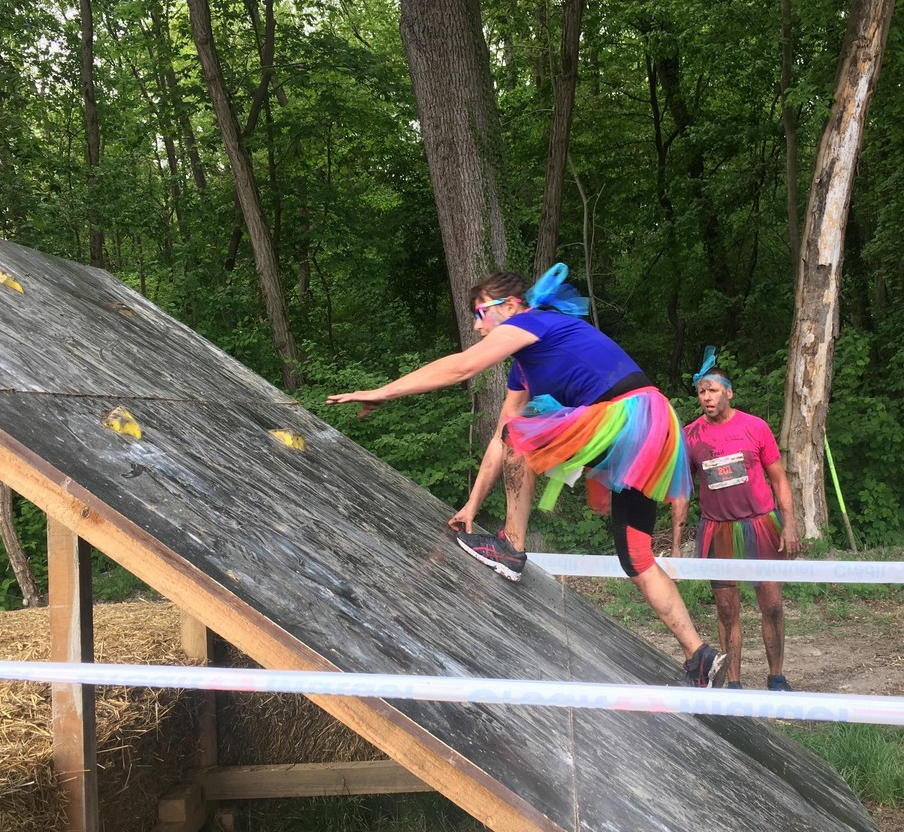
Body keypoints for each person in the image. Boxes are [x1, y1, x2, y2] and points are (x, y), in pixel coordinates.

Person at [328, 265, 729, 687]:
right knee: (635, 555)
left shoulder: (531, 322)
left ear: (511, 306)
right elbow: (502, 437)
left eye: (480, 312)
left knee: (523, 433)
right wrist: (472, 504)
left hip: (627, 416)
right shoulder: (523, 368)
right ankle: (700, 657)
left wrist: (383, 391)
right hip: (654, 426)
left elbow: (462, 368)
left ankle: (512, 547)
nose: (477, 326)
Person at [671, 347, 799, 691]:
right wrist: (676, 546)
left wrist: (789, 523)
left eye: (713, 390)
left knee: (772, 605)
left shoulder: (755, 427)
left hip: (761, 524)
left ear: (728, 393)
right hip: (718, 530)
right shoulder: (690, 436)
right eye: (701, 391)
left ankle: (776, 677)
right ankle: (734, 684)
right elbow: (681, 493)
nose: (706, 397)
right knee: (727, 611)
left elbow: (779, 479)